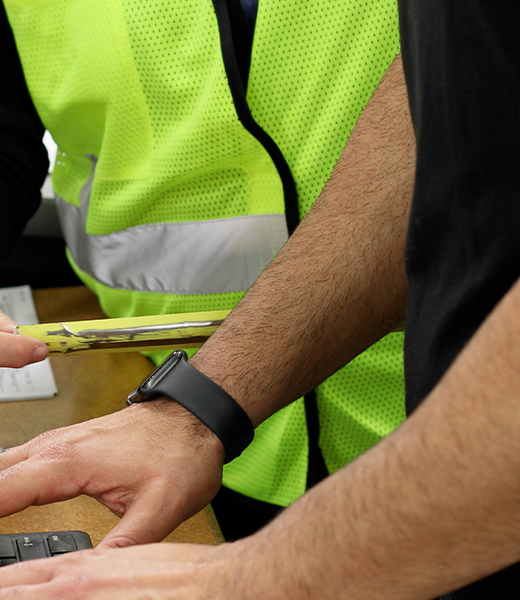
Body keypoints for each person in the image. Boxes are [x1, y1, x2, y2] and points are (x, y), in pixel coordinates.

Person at [3, 2, 519, 600]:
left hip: (443, 462)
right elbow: (440, 119)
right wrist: (199, 408)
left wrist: (264, 572)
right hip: (228, 457)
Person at [0, 0, 406, 540]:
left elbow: (444, 126)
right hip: (161, 440)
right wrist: (188, 408)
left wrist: (199, 405)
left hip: (436, 416)